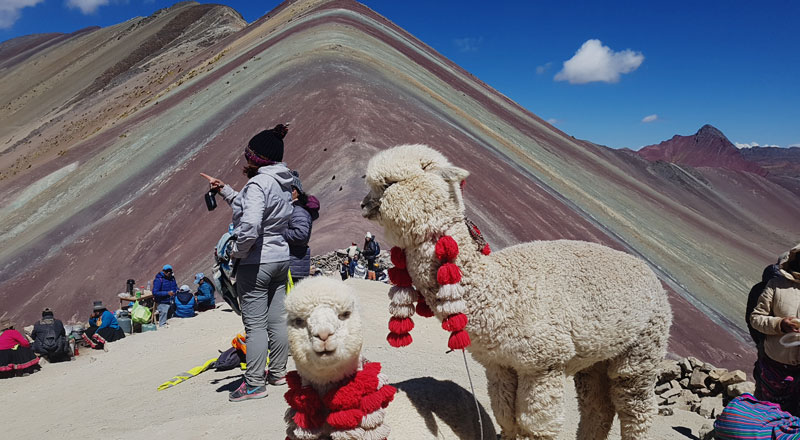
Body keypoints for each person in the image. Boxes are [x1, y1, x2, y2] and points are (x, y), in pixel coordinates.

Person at [201, 123, 294, 402]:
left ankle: (254, 383)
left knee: (255, 326)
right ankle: (277, 373)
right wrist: (226, 190)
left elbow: (251, 225)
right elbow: (253, 207)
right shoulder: (282, 182)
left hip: (256, 263)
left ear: (255, 157)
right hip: (280, 258)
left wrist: (237, 252)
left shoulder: (257, 183)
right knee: (277, 320)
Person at [750, 244, 800, 416]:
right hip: (774, 364)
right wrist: (780, 325)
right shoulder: (775, 286)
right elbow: (755, 319)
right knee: (766, 414)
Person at [283, 171, 320, 284]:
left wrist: (279, 231)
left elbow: (301, 235)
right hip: (294, 265)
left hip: (294, 266)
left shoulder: (298, 211)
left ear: (294, 191)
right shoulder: (295, 209)